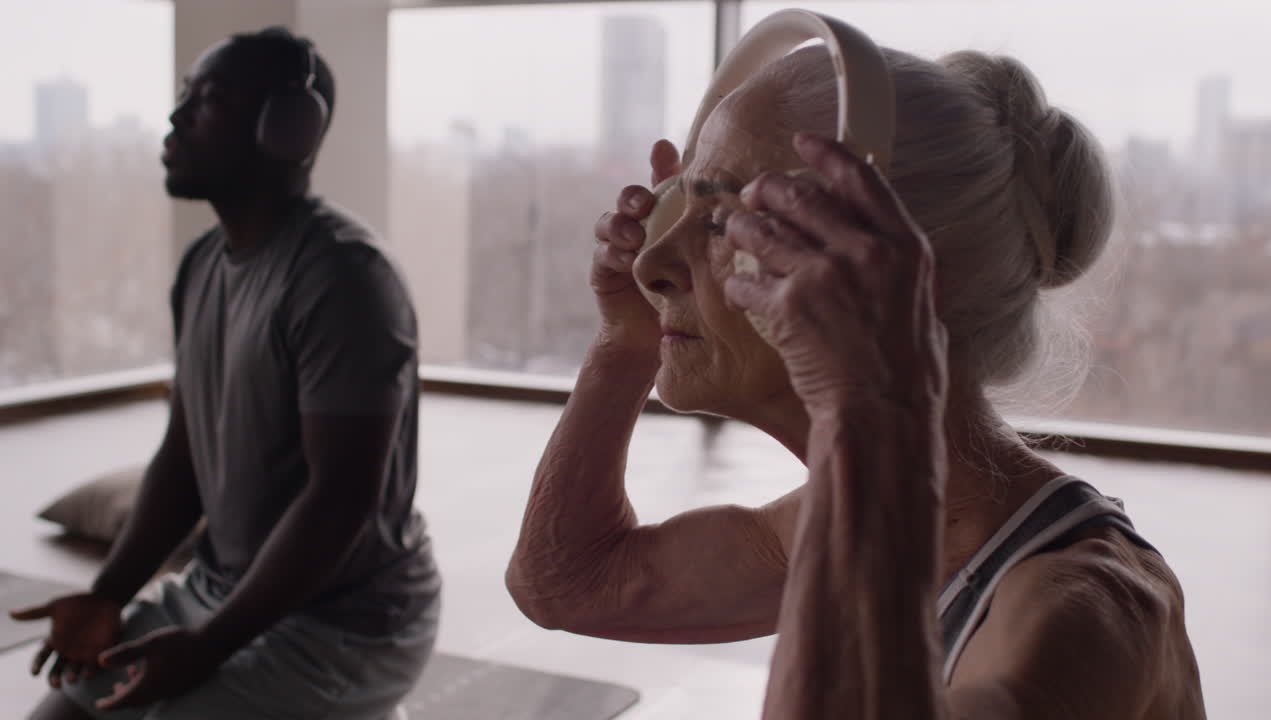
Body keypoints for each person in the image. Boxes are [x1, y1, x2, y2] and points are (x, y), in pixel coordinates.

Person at [507, 44, 1206, 718]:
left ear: (897, 282)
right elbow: (563, 584)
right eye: (676, 205)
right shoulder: (841, 519)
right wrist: (623, 343)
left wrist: (868, 407)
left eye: (725, 220)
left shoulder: (1078, 615)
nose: (649, 261)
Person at [11, 26, 440, 720]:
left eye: (207, 101)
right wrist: (106, 596)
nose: (176, 118)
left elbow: (340, 500)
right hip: (217, 588)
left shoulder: (344, 278)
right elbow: (183, 456)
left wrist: (209, 647)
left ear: (286, 129)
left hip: (350, 625)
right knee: (56, 716)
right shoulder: (204, 263)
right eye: (184, 97)